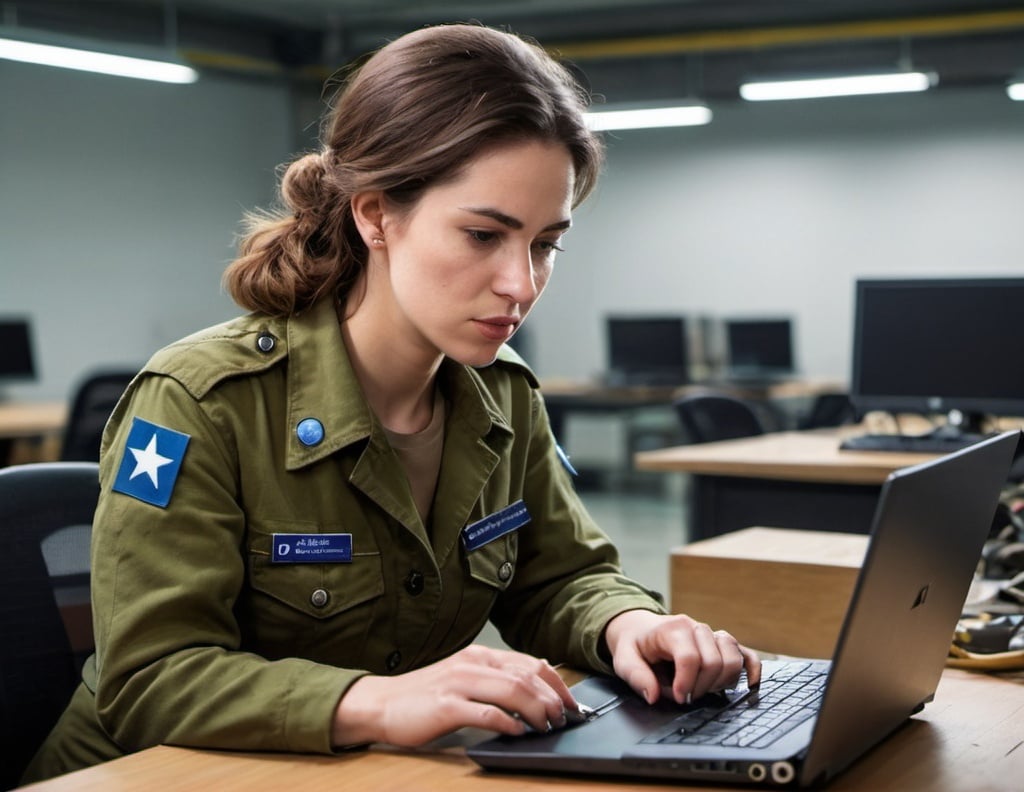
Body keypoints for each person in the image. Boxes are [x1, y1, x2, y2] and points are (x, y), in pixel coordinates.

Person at [23, 22, 759, 782]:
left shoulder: (502, 397)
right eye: (483, 235)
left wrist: (629, 623)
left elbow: (558, 577)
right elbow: (149, 678)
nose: (522, 283)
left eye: (545, 244)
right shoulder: (200, 404)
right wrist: (376, 703)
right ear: (375, 216)